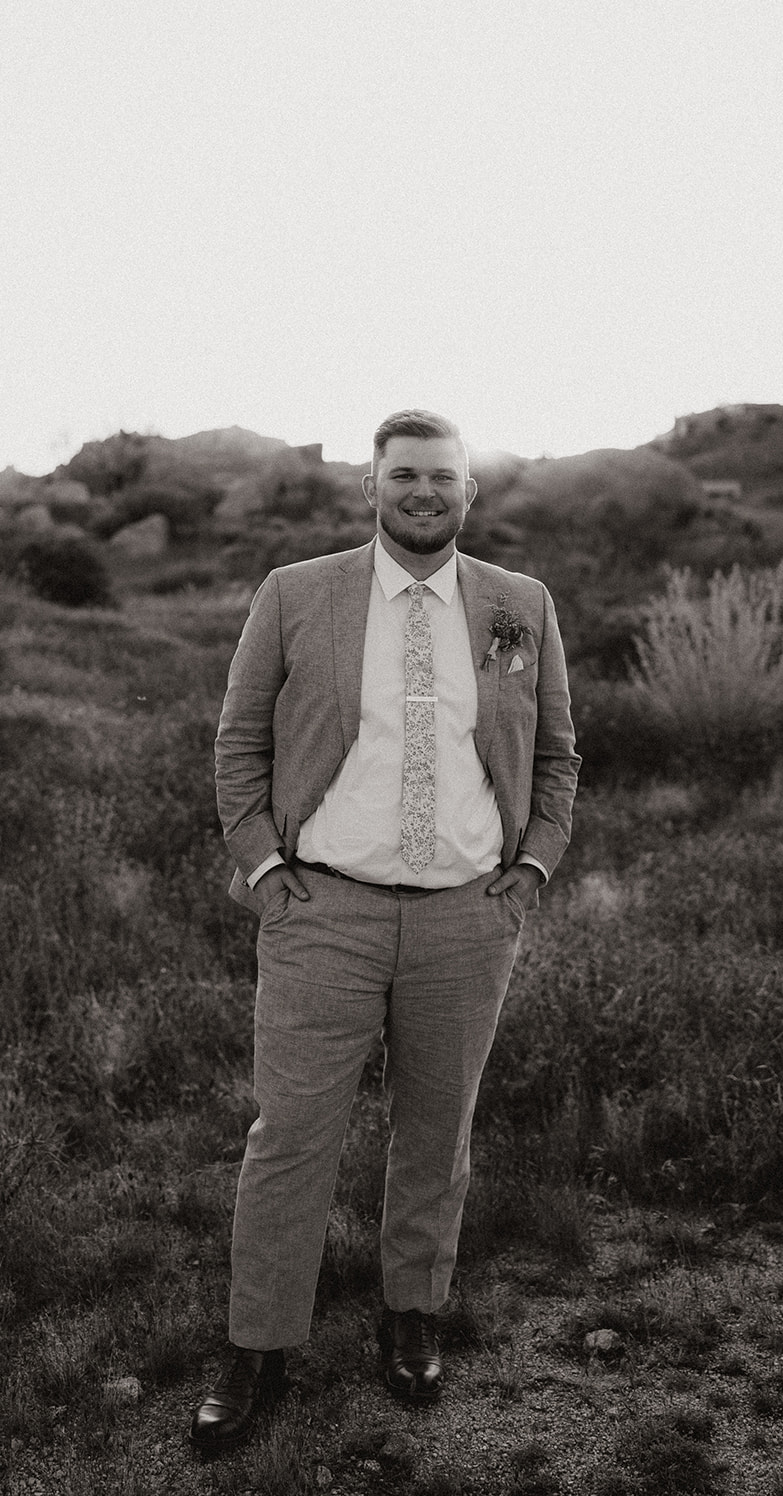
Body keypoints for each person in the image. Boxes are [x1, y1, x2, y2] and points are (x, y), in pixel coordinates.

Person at [191, 409, 579, 1454]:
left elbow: (554, 755)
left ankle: (411, 1315)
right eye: (402, 474)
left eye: (441, 477)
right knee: (290, 1139)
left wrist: (532, 865)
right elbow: (236, 740)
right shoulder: (296, 594)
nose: (422, 491)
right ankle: (259, 1346)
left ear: (468, 493)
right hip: (323, 912)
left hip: (468, 918)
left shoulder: (517, 605)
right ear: (369, 487)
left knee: (436, 1130)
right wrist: (265, 871)